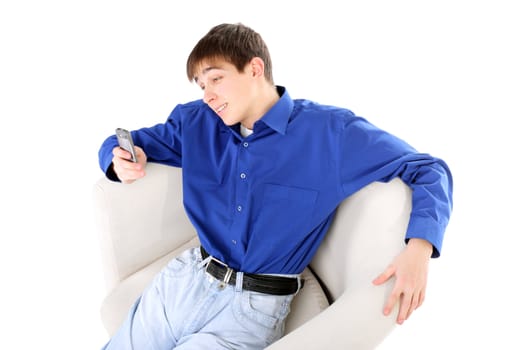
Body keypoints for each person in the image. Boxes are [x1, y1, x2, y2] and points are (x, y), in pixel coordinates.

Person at [98, 22, 453, 350]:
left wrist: (419, 250)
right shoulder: (196, 121)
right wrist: (118, 160)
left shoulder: (330, 133)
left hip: (249, 310)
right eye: (201, 85)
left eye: (216, 79)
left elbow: (428, 169)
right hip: (182, 283)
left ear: (255, 69)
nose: (207, 94)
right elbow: (123, 142)